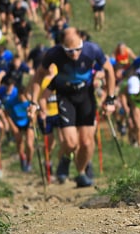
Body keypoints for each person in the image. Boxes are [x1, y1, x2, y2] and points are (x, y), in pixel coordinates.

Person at [29, 26, 116, 187]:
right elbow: (38, 75)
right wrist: (34, 102)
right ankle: (65, 158)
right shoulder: (54, 54)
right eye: (69, 51)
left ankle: (81, 172)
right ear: (62, 45)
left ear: (82, 40)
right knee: (70, 143)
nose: (74, 54)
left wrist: (110, 99)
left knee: (87, 142)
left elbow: (109, 70)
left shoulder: (92, 49)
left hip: (86, 95)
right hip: (65, 96)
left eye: (77, 49)